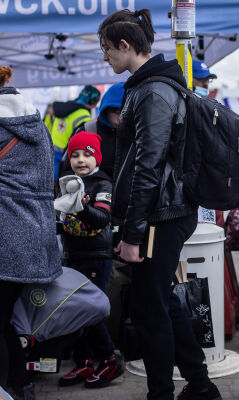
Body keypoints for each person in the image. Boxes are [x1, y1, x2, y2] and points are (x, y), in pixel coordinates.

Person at [98, 9, 221, 400]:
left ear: (125, 45)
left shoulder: (153, 90)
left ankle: (162, 394)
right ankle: (200, 387)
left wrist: (132, 233)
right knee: (162, 302)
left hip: (160, 216)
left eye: (107, 50)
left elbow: (148, 167)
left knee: (152, 312)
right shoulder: (151, 85)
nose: (105, 58)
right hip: (163, 212)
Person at [0, 66, 61, 399]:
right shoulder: (34, 121)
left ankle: (18, 386)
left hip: (6, 236)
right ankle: (20, 384)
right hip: (33, 235)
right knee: (5, 316)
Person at [57, 132, 124, 388]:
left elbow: (102, 219)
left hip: (96, 257)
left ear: (97, 158)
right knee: (74, 311)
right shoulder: (67, 183)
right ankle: (84, 362)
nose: (80, 160)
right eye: (75, 155)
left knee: (90, 311)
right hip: (72, 256)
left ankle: (109, 359)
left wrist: (82, 207)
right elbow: (64, 224)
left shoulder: (102, 184)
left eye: (86, 154)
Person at [48, 84, 101, 179]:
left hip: (51, 152)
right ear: (93, 102)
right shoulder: (84, 115)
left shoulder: (63, 108)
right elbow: (83, 141)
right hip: (67, 156)